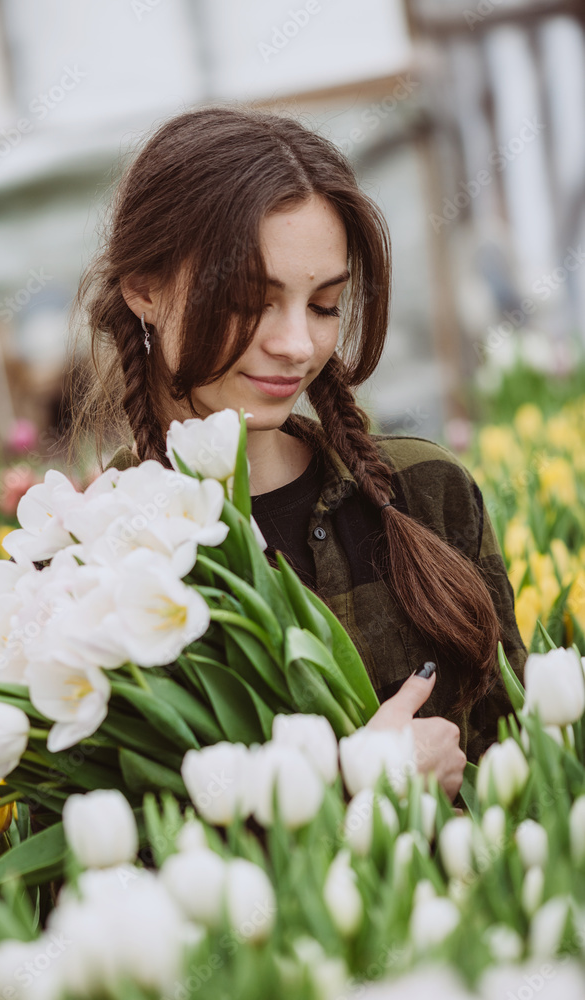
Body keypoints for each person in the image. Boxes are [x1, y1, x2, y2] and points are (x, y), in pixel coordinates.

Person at [68, 105, 527, 801]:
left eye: (322, 305)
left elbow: (528, 776)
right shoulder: (90, 557)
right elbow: (95, 859)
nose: (298, 345)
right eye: (253, 300)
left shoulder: (425, 493)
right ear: (144, 290)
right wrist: (351, 788)